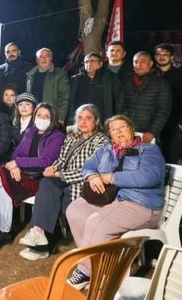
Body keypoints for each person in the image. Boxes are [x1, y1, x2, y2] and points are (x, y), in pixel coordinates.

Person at [65, 114, 165, 291]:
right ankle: (99, 264)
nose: (118, 132)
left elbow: (150, 176)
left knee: (97, 222)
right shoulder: (106, 148)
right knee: (75, 209)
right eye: (113, 129)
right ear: (109, 134)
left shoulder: (148, 150)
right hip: (112, 201)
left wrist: (112, 177)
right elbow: (88, 166)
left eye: (122, 127)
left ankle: (85, 271)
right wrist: (92, 176)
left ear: (131, 129)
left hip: (140, 204)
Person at [18, 104, 109, 260]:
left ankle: (41, 244)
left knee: (50, 193)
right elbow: (62, 159)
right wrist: (53, 167)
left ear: (97, 121)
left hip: (82, 183)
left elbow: (91, 170)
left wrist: (60, 174)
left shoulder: (101, 141)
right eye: (80, 118)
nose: (83, 122)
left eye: (88, 118)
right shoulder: (73, 136)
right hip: (63, 179)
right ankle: (38, 236)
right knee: (48, 185)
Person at [0, 102, 65, 246]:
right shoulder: (30, 132)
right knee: (3, 179)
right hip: (22, 172)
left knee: (3, 182)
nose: (42, 119)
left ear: (53, 118)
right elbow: (17, 152)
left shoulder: (57, 136)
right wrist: (16, 166)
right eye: (39, 115)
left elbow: (46, 161)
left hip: (39, 177)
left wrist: (18, 163)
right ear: (35, 116)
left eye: (47, 116)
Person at [121, 51, 172, 143]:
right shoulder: (126, 81)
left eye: (143, 62)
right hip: (126, 129)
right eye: (135, 62)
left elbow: (164, 110)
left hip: (147, 133)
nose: (138, 65)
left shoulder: (161, 83)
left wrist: (152, 131)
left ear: (151, 64)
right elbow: (120, 105)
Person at [68, 52, 122, 125]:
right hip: (80, 119)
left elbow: (118, 99)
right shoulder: (75, 80)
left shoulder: (110, 79)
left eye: (93, 61)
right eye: (86, 61)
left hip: (102, 119)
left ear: (101, 64)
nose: (89, 64)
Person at [154, 43, 182, 163]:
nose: (162, 57)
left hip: (173, 121)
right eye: (159, 54)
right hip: (152, 121)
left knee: (170, 156)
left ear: (171, 57)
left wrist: (180, 122)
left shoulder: (179, 74)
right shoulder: (150, 73)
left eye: (165, 54)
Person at [26, 47, 70, 124]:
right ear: (37, 60)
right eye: (41, 56)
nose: (44, 59)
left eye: (47, 56)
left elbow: (64, 97)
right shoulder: (30, 75)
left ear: (51, 58)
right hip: (33, 116)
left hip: (51, 116)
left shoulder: (60, 74)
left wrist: (60, 117)